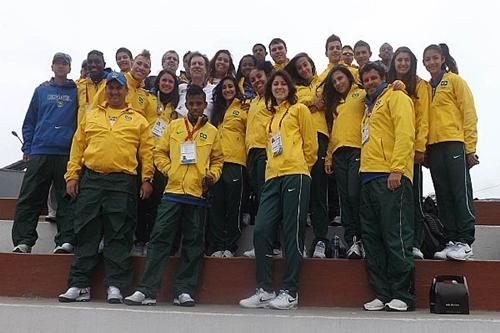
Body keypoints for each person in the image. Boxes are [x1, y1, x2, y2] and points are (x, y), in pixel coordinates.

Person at [58, 71, 154, 303]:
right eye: (110, 88)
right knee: (86, 231)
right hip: (92, 180)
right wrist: (72, 176)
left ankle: (115, 285)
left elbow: (146, 152)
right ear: (106, 90)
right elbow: (77, 147)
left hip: (123, 182)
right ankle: (79, 285)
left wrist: (147, 179)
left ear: (125, 91)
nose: (114, 91)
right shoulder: (91, 116)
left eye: (118, 88)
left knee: (119, 234)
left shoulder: (138, 119)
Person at [124, 85, 223, 307]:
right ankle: (146, 290)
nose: (196, 107)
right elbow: (158, 152)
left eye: (200, 104)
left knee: (193, 244)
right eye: (192, 104)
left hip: (198, 195)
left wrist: (212, 176)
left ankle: (184, 291)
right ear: (186, 105)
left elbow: (218, 160)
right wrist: (170, 170)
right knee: (159, 240)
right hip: (173, 193)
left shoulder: (213, 132)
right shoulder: (174, 127)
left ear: (205, 105)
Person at [239, 70, 317, 310]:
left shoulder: (300, 109)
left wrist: (300, 166)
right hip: (272, 176)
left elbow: (311, 145)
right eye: (275, 84)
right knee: (262, 230)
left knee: (292, 233)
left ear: (290, 87)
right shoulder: (272, 117)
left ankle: (290, 292)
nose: (279, 87)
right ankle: (264, 289)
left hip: (295, 174)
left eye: (283, 83)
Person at [358, 62, 415, 312]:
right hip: (367, 179)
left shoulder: (396, 95)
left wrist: (397, 169)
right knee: (373, 240)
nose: (370, 82)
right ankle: (382, 293)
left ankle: (403, 294)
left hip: (390, 175)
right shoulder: (368, 108)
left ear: (383, 77)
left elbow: (405, 132)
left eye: (373, 78)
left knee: (396, 236)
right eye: (366, 79)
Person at [12, 52, 77, 254]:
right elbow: (30, 121)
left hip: (65, 153)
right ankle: (23, 240)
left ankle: (65, 240)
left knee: (67, 197)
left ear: (69, 68)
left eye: (64, 63)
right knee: (30, 196)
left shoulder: (77, 91)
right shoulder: (41, 90)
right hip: (40, 151)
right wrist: (27, 148)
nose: (60, 67)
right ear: (52, 67)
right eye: (57, 63)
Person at [423, 43, 478, 261]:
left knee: (459, 191)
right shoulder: (426, 88)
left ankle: (465, 241)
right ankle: (452, 240)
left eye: (435, 58)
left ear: (443, 59)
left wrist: (470, 148)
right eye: (427, 59)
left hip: (454, 143)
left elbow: (469, 113)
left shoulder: (455, 81)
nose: (431, 63)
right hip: (434, 148)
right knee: (443, 195)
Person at [285, 53, 329, 258]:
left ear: (312, 64)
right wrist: (313, 104)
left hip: (320, 138)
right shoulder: (295, 89)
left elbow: (330, 99)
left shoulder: (323, 81)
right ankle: (298, 242)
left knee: (319, 190)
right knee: (301, 191)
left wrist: (314, 104)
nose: (303, 69)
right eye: (299, 67)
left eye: (306, 65)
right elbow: (297, 106)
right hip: (299, 140)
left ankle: (321, 239)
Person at [387, 46, 430, 259]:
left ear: (412, 63)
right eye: (399, 60)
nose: (403, 64)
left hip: (410, 151)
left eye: (406, 60)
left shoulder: (420, 85)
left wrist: (420, 147)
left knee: (413, 198)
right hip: (388, 152)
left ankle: (415, 242)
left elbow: (423, 118)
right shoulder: (388, 86)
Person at [133, 69, 180, 256]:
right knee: (141, 200)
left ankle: (155, 240)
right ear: (158, 82)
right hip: (144, 155)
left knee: (159, 202)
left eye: (170, 81)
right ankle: (140, 239)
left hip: (165, 158)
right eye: (164, 80)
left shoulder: (177, 106)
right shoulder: (149, 99)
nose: (167, 84)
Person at [322, 65, 365, 259]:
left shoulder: (362, 93)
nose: (338, 83)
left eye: (341, 79)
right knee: (345, 198)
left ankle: (364, 238)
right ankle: (352, 240)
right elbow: (334, 133)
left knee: (356, 193)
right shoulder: (335, 104)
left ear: (349, 77)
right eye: (334, 81)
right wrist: (329, 156)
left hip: (358, 149)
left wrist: (397, 85)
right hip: (338, 154)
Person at [208, 76, 248, 257]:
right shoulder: (217, 110)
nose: (227, 90)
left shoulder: (244, 107)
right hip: (216, 163)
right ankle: (217, 245)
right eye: (224, 87)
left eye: (231, 86)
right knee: (217, 206)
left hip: (236, 161)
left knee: (234, 207)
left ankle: (231, 246)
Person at [175, 52, 216, 121]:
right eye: (194, 64)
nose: (197, 66)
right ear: (189, 69)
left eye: (200, 64)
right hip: (179, 129)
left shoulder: (214, 90)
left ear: (206, 69)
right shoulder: (180, 88)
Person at [76, 50, 110, 125]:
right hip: (84, 132)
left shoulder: (111, 85)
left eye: (97, 62)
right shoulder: (79, 86)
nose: (93, 65)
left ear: (104, 64)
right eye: (90, 62)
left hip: (104, 131)